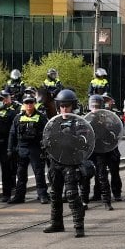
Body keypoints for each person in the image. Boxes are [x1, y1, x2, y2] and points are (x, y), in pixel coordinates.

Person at [42, 89, 86, 237]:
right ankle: (56, 223)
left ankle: (79, 226)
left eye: (67, 106)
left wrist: (71, 138)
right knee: (54, 194)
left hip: (71, 162)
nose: (64, 109)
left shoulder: (79, 121)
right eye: (62, 106)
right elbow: (46, 140)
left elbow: (84, 142)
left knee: (72, 194)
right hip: (56, 161)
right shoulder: (53, 122)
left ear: (72, 106)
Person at [8, 93, 49, 204]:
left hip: (35, 148)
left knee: (39, 173)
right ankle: (19, 196)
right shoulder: (18, 118)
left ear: (34, 103)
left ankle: (42, 195)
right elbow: (12, 134)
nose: (29, 104)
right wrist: (10, 149)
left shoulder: (41, 117)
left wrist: (45, 149)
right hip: (21, 149)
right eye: (27, 102)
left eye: (31, 102)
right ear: (24, 104)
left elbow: (47, 133)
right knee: (20, 174)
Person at [87, 94, 123, 205]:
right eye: (93, 106)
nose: (95, 108)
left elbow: (116, 131)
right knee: (99, 172)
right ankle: (98, 194)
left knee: (114, 171)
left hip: (110, 148)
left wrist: (105, 124)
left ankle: (117, 193)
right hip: (98, 149)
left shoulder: (110, 117)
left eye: (97, 106)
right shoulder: (88, 119)